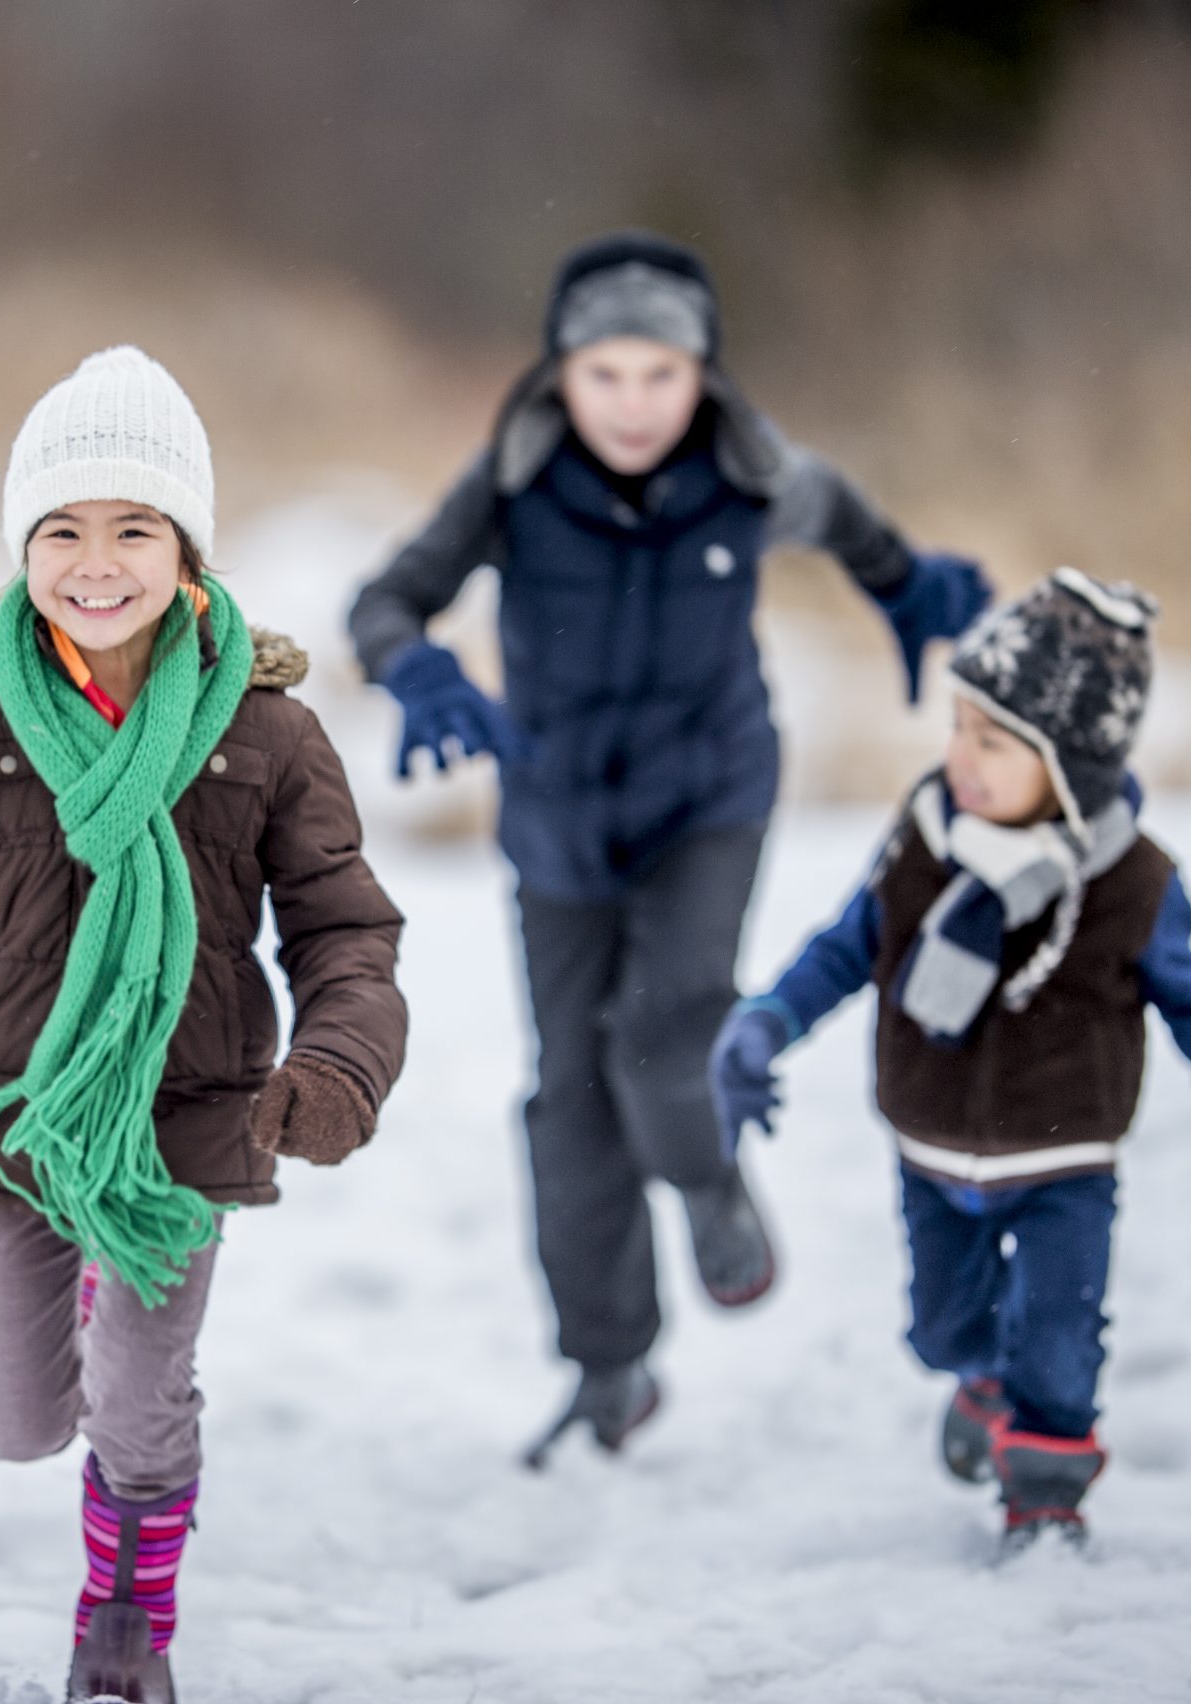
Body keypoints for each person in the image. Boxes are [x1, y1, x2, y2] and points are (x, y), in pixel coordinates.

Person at [0, 347, 407, 1700]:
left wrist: (337, 1065)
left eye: (134, 527)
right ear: (23, 545)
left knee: (139, 1407)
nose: (97, 562)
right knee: (15, 1423)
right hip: (8, 1115)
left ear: (185, 546)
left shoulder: (265, 731)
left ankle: (126, 1628)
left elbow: (345, 928)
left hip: (183, 1122)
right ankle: (62, 1311)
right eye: (63, 530)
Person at [347, 231, 993, 1460]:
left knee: (666, 1024)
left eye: (660, 375)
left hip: (711, 791)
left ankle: (705, 1181)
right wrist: (419, 667)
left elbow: (844, 513)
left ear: (701, 374)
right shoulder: (512, 480)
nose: (633, 405)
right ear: (558, 378)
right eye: (605, 376)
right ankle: (610, 1367)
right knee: (568, 1098)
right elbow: (383, 599)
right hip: (555, 817)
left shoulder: (750, 474)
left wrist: (903, 586)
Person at [710, 568, 1191, 1550]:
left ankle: (1043, 1494)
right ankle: (980, 1384)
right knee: (941, 1332)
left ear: (1068, 764)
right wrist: (765, 1021)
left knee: (1060, 1338)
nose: (961, 758)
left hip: (1061, 1162)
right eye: (957, 728)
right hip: (930, 1150)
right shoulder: (921, 840)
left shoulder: (1131, 882)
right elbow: (845, 947)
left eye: (994, 743)